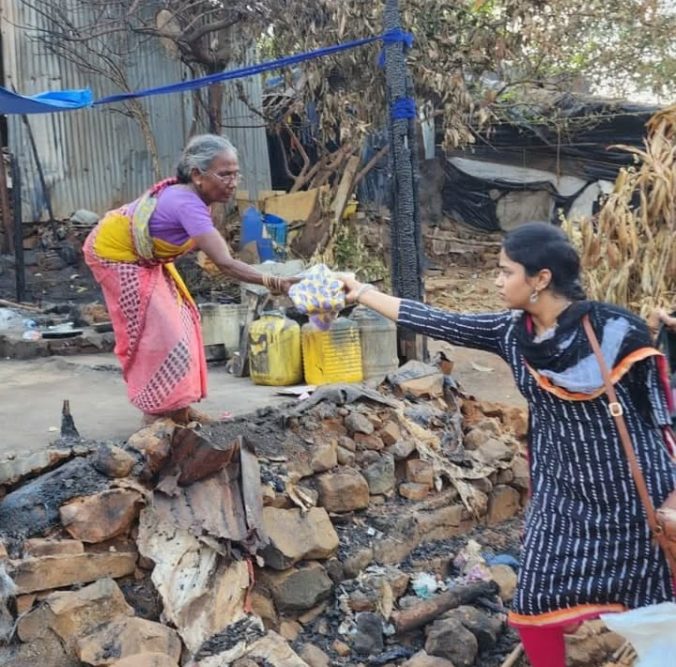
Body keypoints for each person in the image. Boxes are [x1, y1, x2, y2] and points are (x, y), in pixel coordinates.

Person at [340, 222, 675, 667]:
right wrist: (362, 292)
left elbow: (662, 417)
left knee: (652, 603)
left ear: (541, 278)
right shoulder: (510, 332)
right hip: (562, 498)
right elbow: (438, 320)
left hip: (632, 500)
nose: (497, 281)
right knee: (535, 604)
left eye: (505, 271)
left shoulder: (617, 330)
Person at [84, 134, 294, 425]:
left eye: (236, 174)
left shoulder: (195, 200)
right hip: (115, 256)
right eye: (225, 174)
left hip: (146, 259)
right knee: (162, 337)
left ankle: (179, 410)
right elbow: (225, 263)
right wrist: (277, 282)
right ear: (197, 175)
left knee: (185, 322)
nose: (233, 182)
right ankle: (155, 417)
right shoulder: (187, 204)